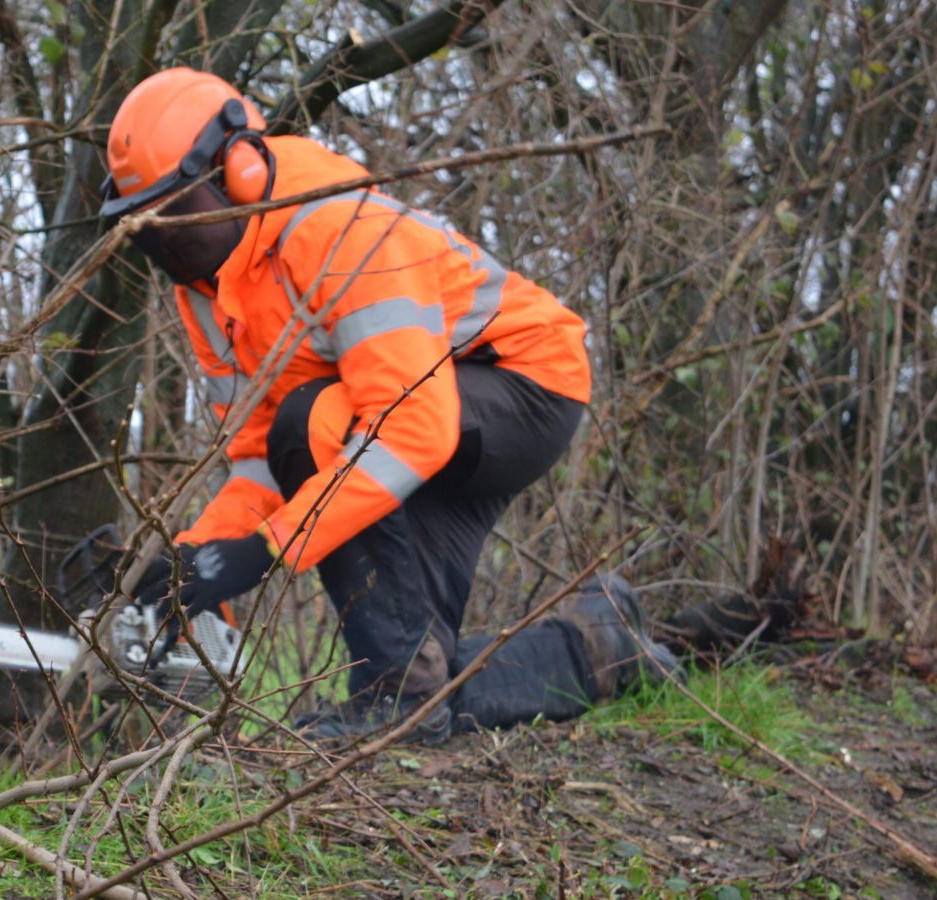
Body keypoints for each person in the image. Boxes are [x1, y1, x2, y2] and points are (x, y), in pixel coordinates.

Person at [103, 68, 678, 744]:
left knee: (314, 419)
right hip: (414, 419)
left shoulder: (336, 225)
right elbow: (258, 458)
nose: (167, 246)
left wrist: (270, 547)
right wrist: (195, 560)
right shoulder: (209, 293)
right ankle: (599, 645)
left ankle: (398, 692)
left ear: (239, 170)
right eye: (147, 232)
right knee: (419, 678)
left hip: (522, 387)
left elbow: (411, 426)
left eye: (178, 219)